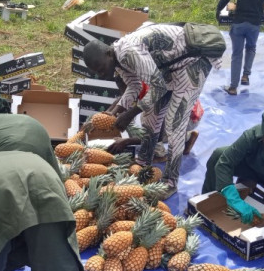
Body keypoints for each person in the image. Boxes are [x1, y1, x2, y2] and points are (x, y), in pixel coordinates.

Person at [82, 23, 221, 199]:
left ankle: (171, 181)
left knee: (174, 125)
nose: (103, 75)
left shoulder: (128, 52)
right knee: (151, 118)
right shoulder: (117, 61)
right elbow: (134, 86)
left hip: (193, 62)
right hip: (170, 68)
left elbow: (158, 88)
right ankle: (143, 160)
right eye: (98, 73)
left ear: (108, 53)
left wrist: (130, 113)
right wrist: (115, 111)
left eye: (102, 69)